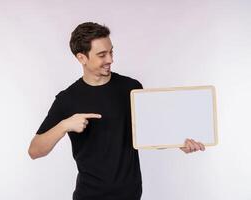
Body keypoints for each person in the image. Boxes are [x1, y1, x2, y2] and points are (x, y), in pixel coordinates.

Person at [28, 22, 205, 200]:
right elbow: (34, 151)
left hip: (131, 195)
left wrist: (179, 143)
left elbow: (150, 134)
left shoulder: (131, 88)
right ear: (82, 58)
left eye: (111, 52)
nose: (110, 60)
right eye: (102, 55)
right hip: (89, 196)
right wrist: (64, 125)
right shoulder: (67, 99)